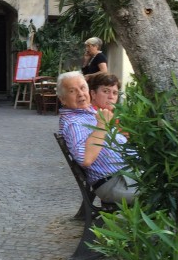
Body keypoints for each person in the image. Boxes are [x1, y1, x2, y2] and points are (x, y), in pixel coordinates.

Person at [57, 70, 136, 205]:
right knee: (172, 192)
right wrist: (101, 125)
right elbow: (85, 159)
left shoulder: (87, 113)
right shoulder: (74, 123)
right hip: (117, 181)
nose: (80, 94)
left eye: (82, 88)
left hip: (128, 175)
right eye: (72, 91)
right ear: (63, 99)